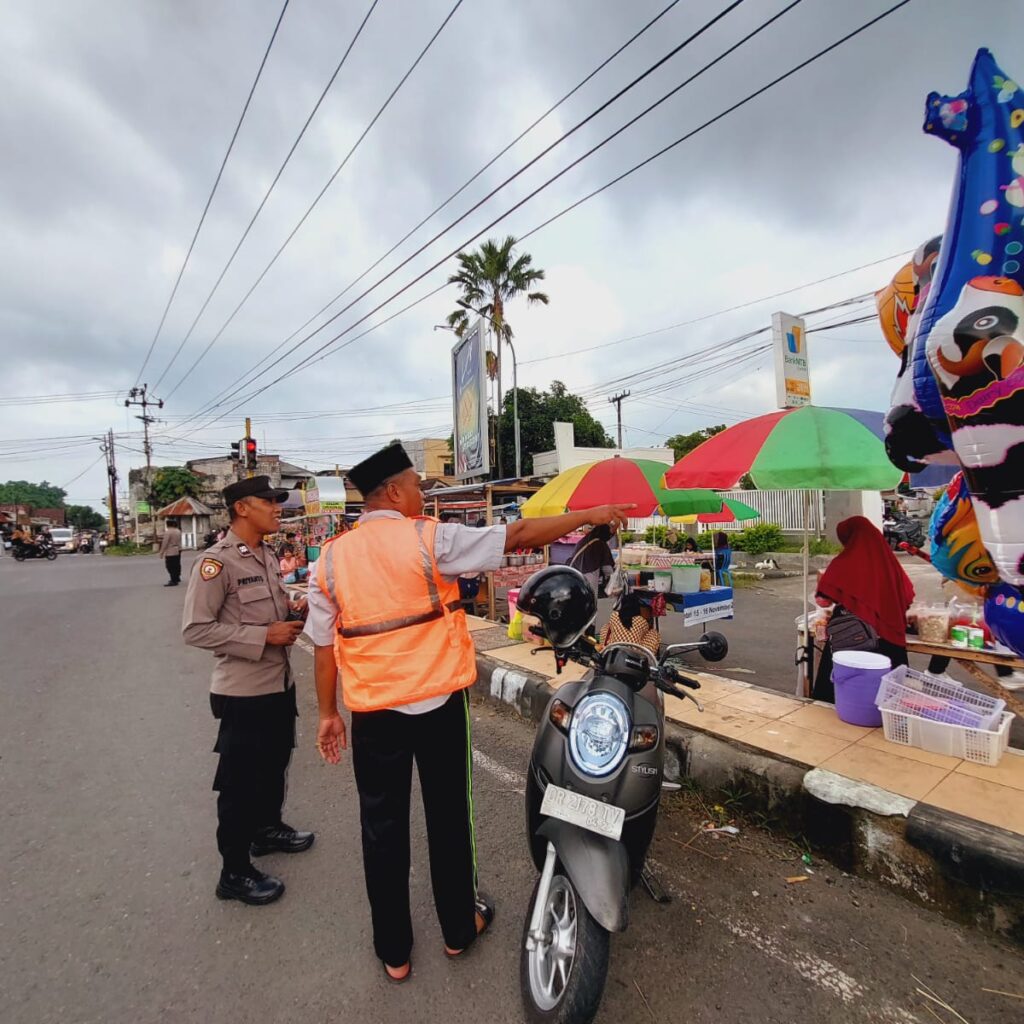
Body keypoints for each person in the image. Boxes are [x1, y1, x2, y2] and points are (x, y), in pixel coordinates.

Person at [308, 442, 634, 983]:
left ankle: (394, 952)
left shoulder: (332, 558)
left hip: (373, 713)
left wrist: (327, 714)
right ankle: (459, 930)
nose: (421, 494)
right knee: (449, 817)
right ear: (392, 491)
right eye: (415, 485)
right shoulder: (428, 538)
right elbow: (519, 535)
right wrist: (592, 515)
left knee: (381, 827)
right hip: (437, 703)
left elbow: (323, 643)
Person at [182, 476, 312, 907]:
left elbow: (268, 615)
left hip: (278, 684)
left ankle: (266, 830)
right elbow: (196, 629)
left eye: (279, 502)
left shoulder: (267, 554)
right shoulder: (216, 563)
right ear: (241, 508)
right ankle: (233, 872)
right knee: (240, 782)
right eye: (269, 502)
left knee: (276, 762)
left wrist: (292, 613)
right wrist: (263, 636)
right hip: (243, 693)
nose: (278, 508)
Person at [811, 516, 915, 702]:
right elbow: (908, 597)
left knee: (841, 693)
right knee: (886, 698)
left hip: (852, 637)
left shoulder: (844, 563)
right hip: (889, 640)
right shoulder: (890, 563)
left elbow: (823, 601)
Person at [600, 591, 661, 656]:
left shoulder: (614, 615)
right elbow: (645, 633)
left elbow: (611, 628)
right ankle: (651, 657)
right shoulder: (641, 620)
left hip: (612, 651)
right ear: (637, 607)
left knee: (605, 627)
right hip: (635, 655)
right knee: (654, 633)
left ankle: (602, 647)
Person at [569, 524, 616, 599]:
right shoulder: (600, 543)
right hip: (589, 574)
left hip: (574, 573)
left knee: (578, 599)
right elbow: (608, 570)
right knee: (590, 600)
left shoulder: (585, 539)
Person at [158, 518, 183, 586]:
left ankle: (173, 580)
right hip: (178, 549)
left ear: (167, 525)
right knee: (177, 564)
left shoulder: (168, 532)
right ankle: (177, 577)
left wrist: (161, 552)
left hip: (170, 550)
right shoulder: (178, 531)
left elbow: (165, 543)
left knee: (170, 566)